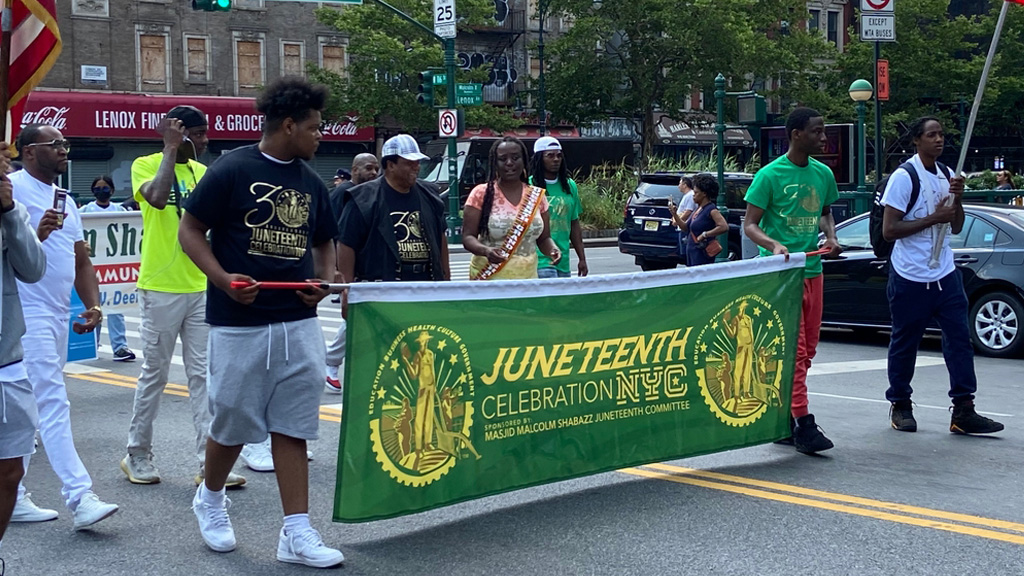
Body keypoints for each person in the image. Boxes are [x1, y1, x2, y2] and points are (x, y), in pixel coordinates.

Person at [178, 76, 344, 568]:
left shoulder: (312, 183)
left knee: (293, 426)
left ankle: (296, 532)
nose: (320, 136)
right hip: (237, 321)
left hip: (297, 321)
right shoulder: (231, 169)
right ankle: (209, 498)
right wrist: (224, 278)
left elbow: (323, 241)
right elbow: (190, 230)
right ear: (288, 125)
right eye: (314, 128)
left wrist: (324, 281)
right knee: (232, 421)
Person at [124, 105, 245, 488]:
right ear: (177, 133)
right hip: (161, 287)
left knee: (203, 377)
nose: (205, 141)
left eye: (205, 134)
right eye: (198, 134)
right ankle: (137, 454)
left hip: (200, 286)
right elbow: (158, 199)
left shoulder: (203, 173)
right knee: (154, 373)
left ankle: (207, 464)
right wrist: (170, 151)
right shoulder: (145, 165)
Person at [9, 124, 119, 529]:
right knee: (51, 404)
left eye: (65, 144)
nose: (64, 150)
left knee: (26, 410)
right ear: (28, 152)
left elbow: (80, 260)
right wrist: (33, 234)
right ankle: (80, 496)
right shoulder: (11, 189)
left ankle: (13, 494)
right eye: (54, 144)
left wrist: (92, 304)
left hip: (56, 314)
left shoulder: (67, 200)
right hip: (23, 313)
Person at [881, 117, 1003, 435]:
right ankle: (900, 405)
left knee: (960, 340)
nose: (939, 140)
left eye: (942, 135)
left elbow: (957, 225)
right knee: (905, 342)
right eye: (931, 135)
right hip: (910, 275)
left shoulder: (947, 174)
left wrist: (956, 198)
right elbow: (890, 229)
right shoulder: (904, 177)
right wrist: (934, 216)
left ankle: (964, 409)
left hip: (944, 272)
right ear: (916, 141)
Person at [742, 107, 841, 455]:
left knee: (808, 351)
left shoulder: (823, 174)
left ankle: (783, 417)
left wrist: (829, 237)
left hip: (813, 272)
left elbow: (827, 212)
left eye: (823, 131)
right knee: (795, 353)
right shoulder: (769, 175)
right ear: (797, 134)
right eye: (817, 131)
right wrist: (772, 244)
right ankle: (803, 422)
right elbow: (749, 224)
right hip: (781, 278)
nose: (823, 137)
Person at [0, 140, 48, 549]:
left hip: (6, 364)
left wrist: (10, 212)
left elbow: (32, 268)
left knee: (9, 472)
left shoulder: (11, 209)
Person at [336, 134, 450, 285]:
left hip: (425, 286)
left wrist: (446, 282)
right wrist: (347, 289)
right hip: (380, 288)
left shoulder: (430, 195)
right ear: (390, 165)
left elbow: (441, 239)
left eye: (417, 162)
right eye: (409, 162)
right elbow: (346, 243)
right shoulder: (362, 198)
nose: (416, 167)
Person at [462, 136, 560, 280]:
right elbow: (467, 237)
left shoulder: (537, 196)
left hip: (527, 279)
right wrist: (486, 251)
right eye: (503, 159)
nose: (509, 163)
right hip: (489, 277)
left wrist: (552, 249)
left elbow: (544, 238)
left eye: (515, 158)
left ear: (524, 161)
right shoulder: (481, 193)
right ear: (495, 163)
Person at [79, 175, 135, 362]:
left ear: (112, 190)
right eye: (97, 188)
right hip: (93, 267)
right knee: (93, 305)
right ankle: (91, 346)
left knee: (115, 307)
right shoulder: (86, 210)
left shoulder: (120, 210)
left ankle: (119, 347)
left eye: (105, 187)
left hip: (113, 270)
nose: (101, 191)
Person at [529, 136, 587, 278]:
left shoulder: (569, 186)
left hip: (563, 260)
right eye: (550, 156)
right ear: (539, 158)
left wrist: (582, 258)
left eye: (559, 156)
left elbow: (574, 224)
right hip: (540, 260)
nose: (556, 159)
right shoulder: (529, 186)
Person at [675, 173, 728, 267]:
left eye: (696, 193)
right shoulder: (698, 209)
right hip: (692, 252)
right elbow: (685, 227)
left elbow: (723, 226)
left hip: (702, 253)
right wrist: (674, 214)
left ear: (704, 194)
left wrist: (705, 234)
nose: (693, 196)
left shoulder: (711, 209)